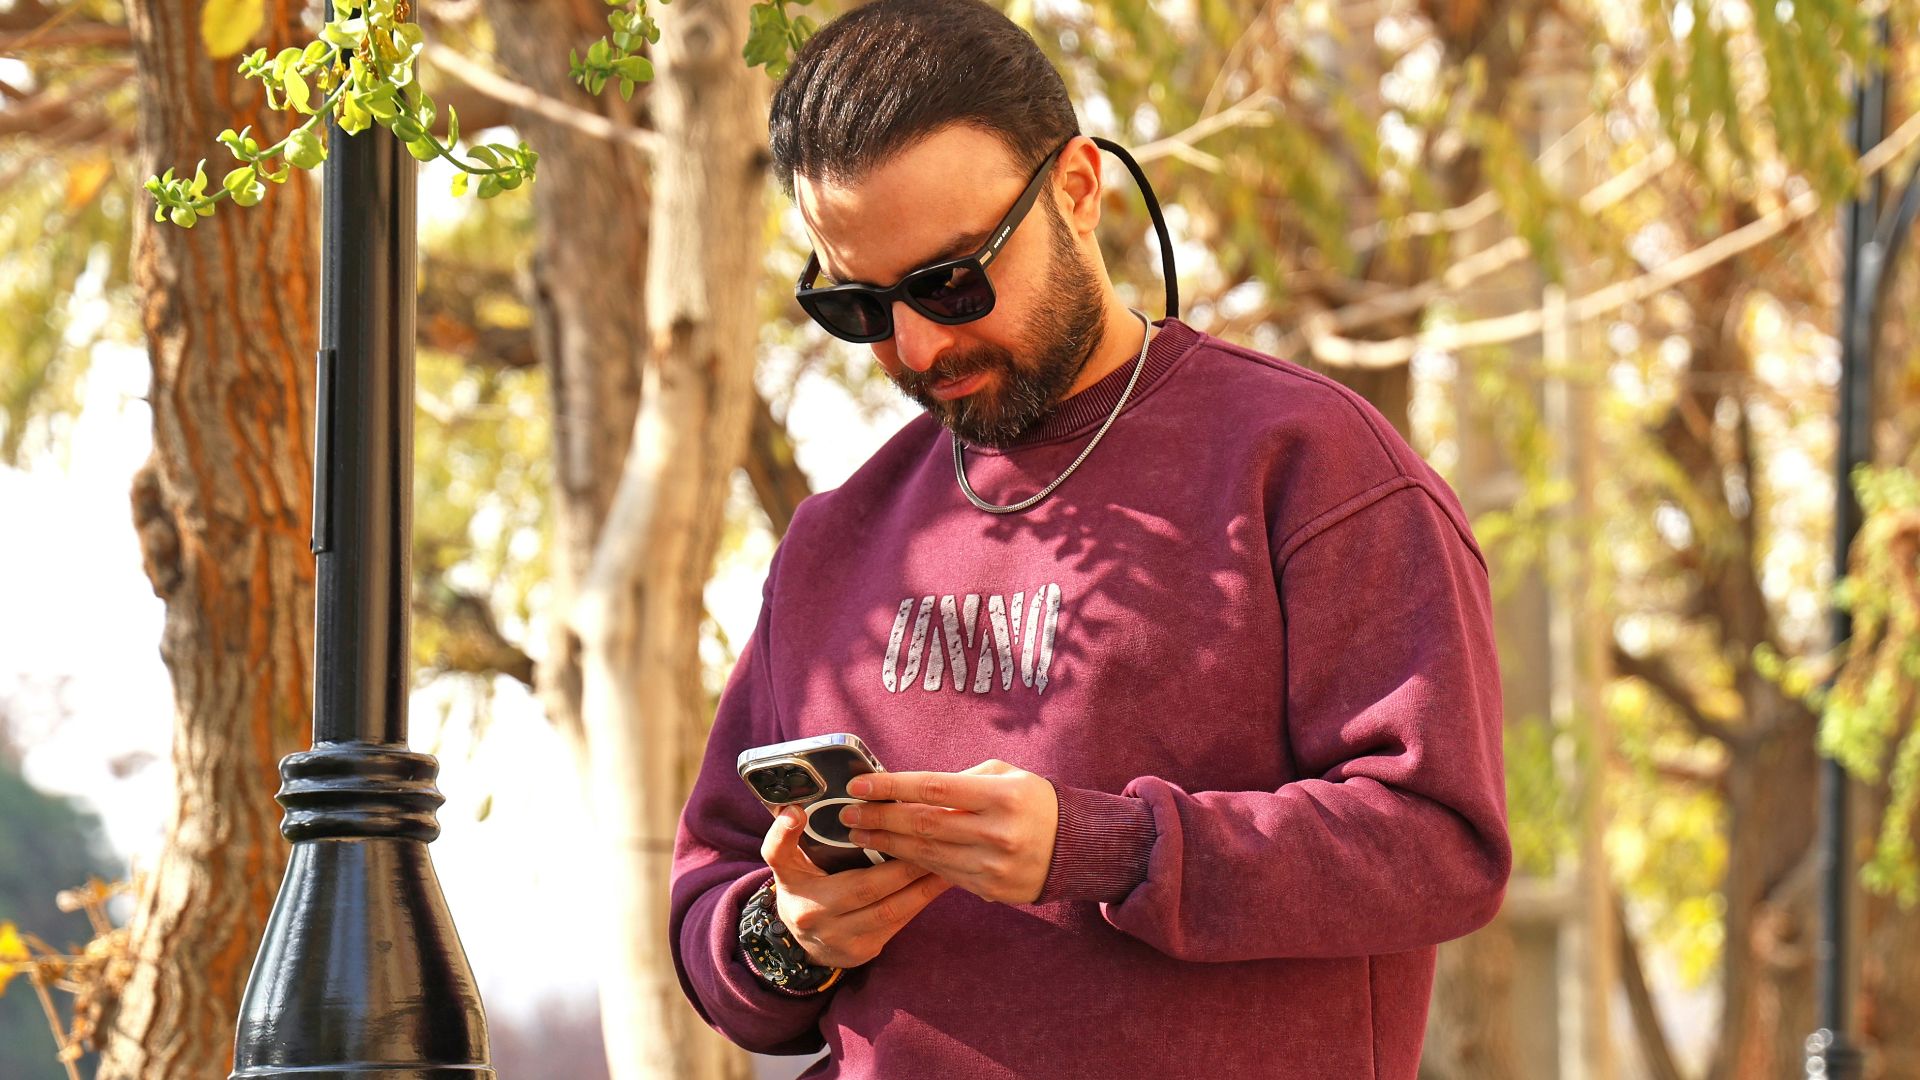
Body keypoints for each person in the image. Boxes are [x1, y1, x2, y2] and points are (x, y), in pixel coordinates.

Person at [667, 2, 1511, 1076]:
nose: (918, 344)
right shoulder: (836, 540)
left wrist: (1105, 849)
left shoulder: (1306, 465)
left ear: (1077, 189)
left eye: (950, 282)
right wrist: (791, 935)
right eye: (865, 308)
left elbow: (1443, 848)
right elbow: (712, 904)